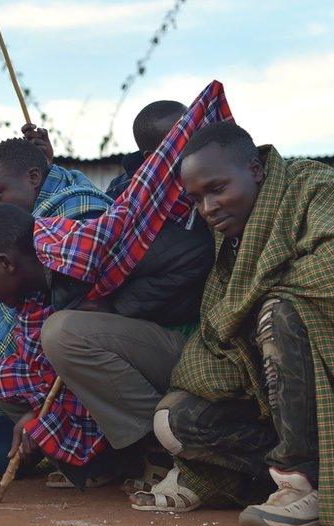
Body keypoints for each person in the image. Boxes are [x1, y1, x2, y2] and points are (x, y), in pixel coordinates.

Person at [130, 121, 334, 526]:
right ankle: (291, 478)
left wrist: (249, 304)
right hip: (273, 388)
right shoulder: (232, 240)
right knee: (176, 422)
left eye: (218, 188)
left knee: (278, 310)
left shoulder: (317, 188)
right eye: (198, 198)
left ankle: (305, 486)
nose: (208, 207)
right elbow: (218, 329)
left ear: (255, 169)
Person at [37, 98, 214, 494]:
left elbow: (161, 291)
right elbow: (103, 259)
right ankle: (152, 447)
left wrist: (111, 299)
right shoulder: (125, 197)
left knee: (69, 330)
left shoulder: (213, 197)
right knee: (59, 332)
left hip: (204, 344)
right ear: (155, 156)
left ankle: (171, 448)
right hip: (153, 334)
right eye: (183, 144)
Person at [0, 137, 111, 477]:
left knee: (58, 333)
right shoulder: (17, 226)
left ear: (33, 178)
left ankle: (92, 448)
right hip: (39, 367)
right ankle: (31, 427)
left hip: (83, 351)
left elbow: (82, 316)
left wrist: (46, 414)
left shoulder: (78, 214)